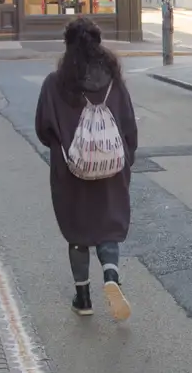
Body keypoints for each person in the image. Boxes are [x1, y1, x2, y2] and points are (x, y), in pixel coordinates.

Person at [35, 17, 138, 321]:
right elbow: (129, 126)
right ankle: (111, 276)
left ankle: (83, 299)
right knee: (108, 225)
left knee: (78, 230)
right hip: (111, 168)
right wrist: (124, 159)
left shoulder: (55, 83)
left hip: (71, 169)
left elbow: (43, 129)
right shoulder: (113, 80)